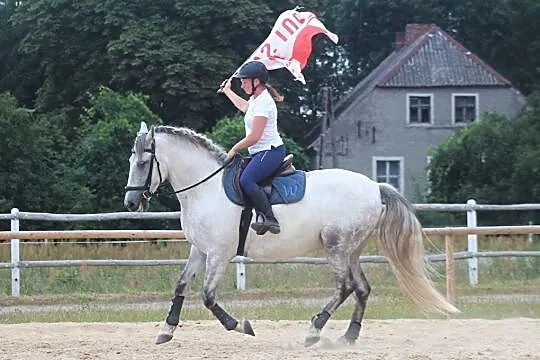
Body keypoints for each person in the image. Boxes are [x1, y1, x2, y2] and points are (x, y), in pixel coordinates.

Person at [220, 61, 286, 235]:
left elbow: (255, 136)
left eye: (244, 81)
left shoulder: (264, 102)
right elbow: (244, 107)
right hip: (259, 152)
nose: (241, 84)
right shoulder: (256, 99)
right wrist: (228, 91)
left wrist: (234, 149)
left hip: (270, 151)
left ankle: (270, 219)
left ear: (256, 81)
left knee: (246, 180)